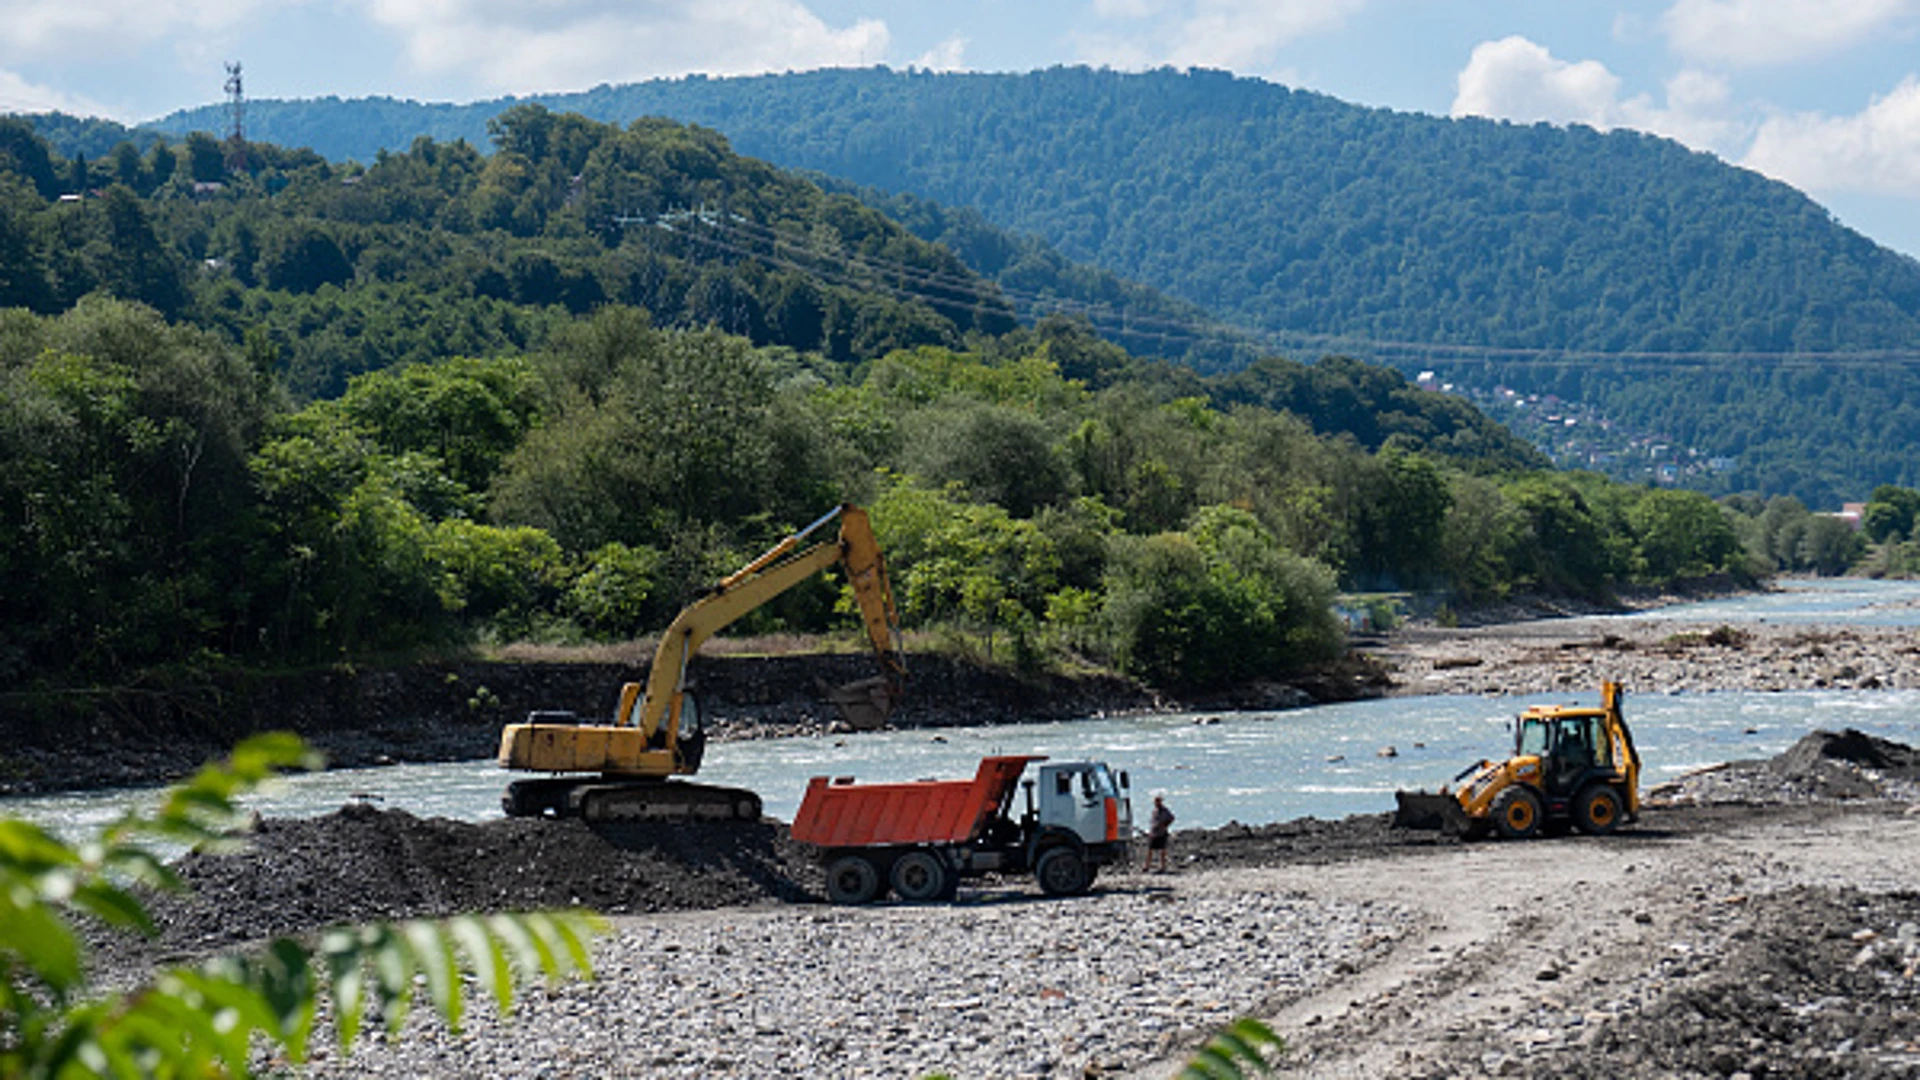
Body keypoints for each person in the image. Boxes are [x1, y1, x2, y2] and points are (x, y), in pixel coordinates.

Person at [1142, 793, 1175, 872]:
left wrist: (1165, 825)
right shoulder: (1154, 811)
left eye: (1158, 801)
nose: (1156, 803)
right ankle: (1147, 866)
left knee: (1162, 851)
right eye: (1155, 801)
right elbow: (1153, 821)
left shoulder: (1165, 810)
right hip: (1153, 833)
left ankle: (1163, 867)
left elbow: (1172, 818)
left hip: (1161, 833)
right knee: (1150, 850)